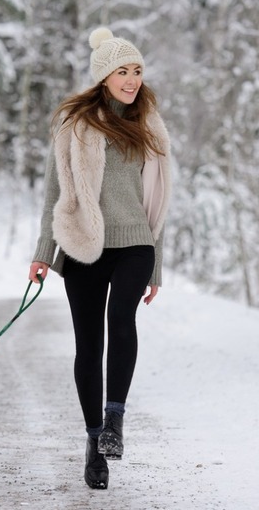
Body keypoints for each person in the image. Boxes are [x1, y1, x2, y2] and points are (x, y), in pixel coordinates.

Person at [28, 26, 172, 490]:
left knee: (121, 321)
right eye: (122, 71)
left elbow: (160, 199)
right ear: (104, 76)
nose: (131, 79)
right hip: (84, 243)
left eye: (136, 70)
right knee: (88, 345)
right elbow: (55, 189)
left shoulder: (149, 123)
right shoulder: (74, 124)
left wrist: (157, 264)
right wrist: (43, 254)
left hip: (134, 244)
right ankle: (94, 442)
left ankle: (115, 423)